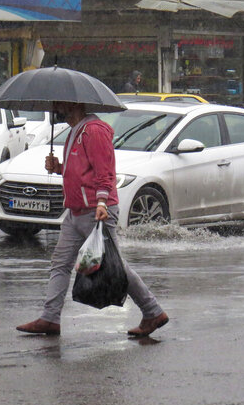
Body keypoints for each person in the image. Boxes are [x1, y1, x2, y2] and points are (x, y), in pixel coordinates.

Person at [16, 101, 168, 337]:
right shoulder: (75, 132)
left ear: (73, 105)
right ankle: (50, 318)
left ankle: (153, 311)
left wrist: (101, 202)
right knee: (61, 263)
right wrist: (59, 168)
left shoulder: (94, 131)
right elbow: (81, 170)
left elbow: (104, 171)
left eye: (59, 106)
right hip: (76, 212)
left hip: (95, 211)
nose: (56, 110)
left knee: (114, 267)